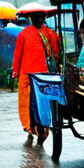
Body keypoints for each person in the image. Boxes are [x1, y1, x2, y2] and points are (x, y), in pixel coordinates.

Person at [12, 11, 60, 144]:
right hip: (45, 76)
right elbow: (56, 54)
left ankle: (30, 126)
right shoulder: (50, 33)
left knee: (28, 102)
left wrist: (15, 71)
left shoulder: (24, 33)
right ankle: (41, 126)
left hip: (28, 74)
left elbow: (17, 55)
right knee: (43, 102)